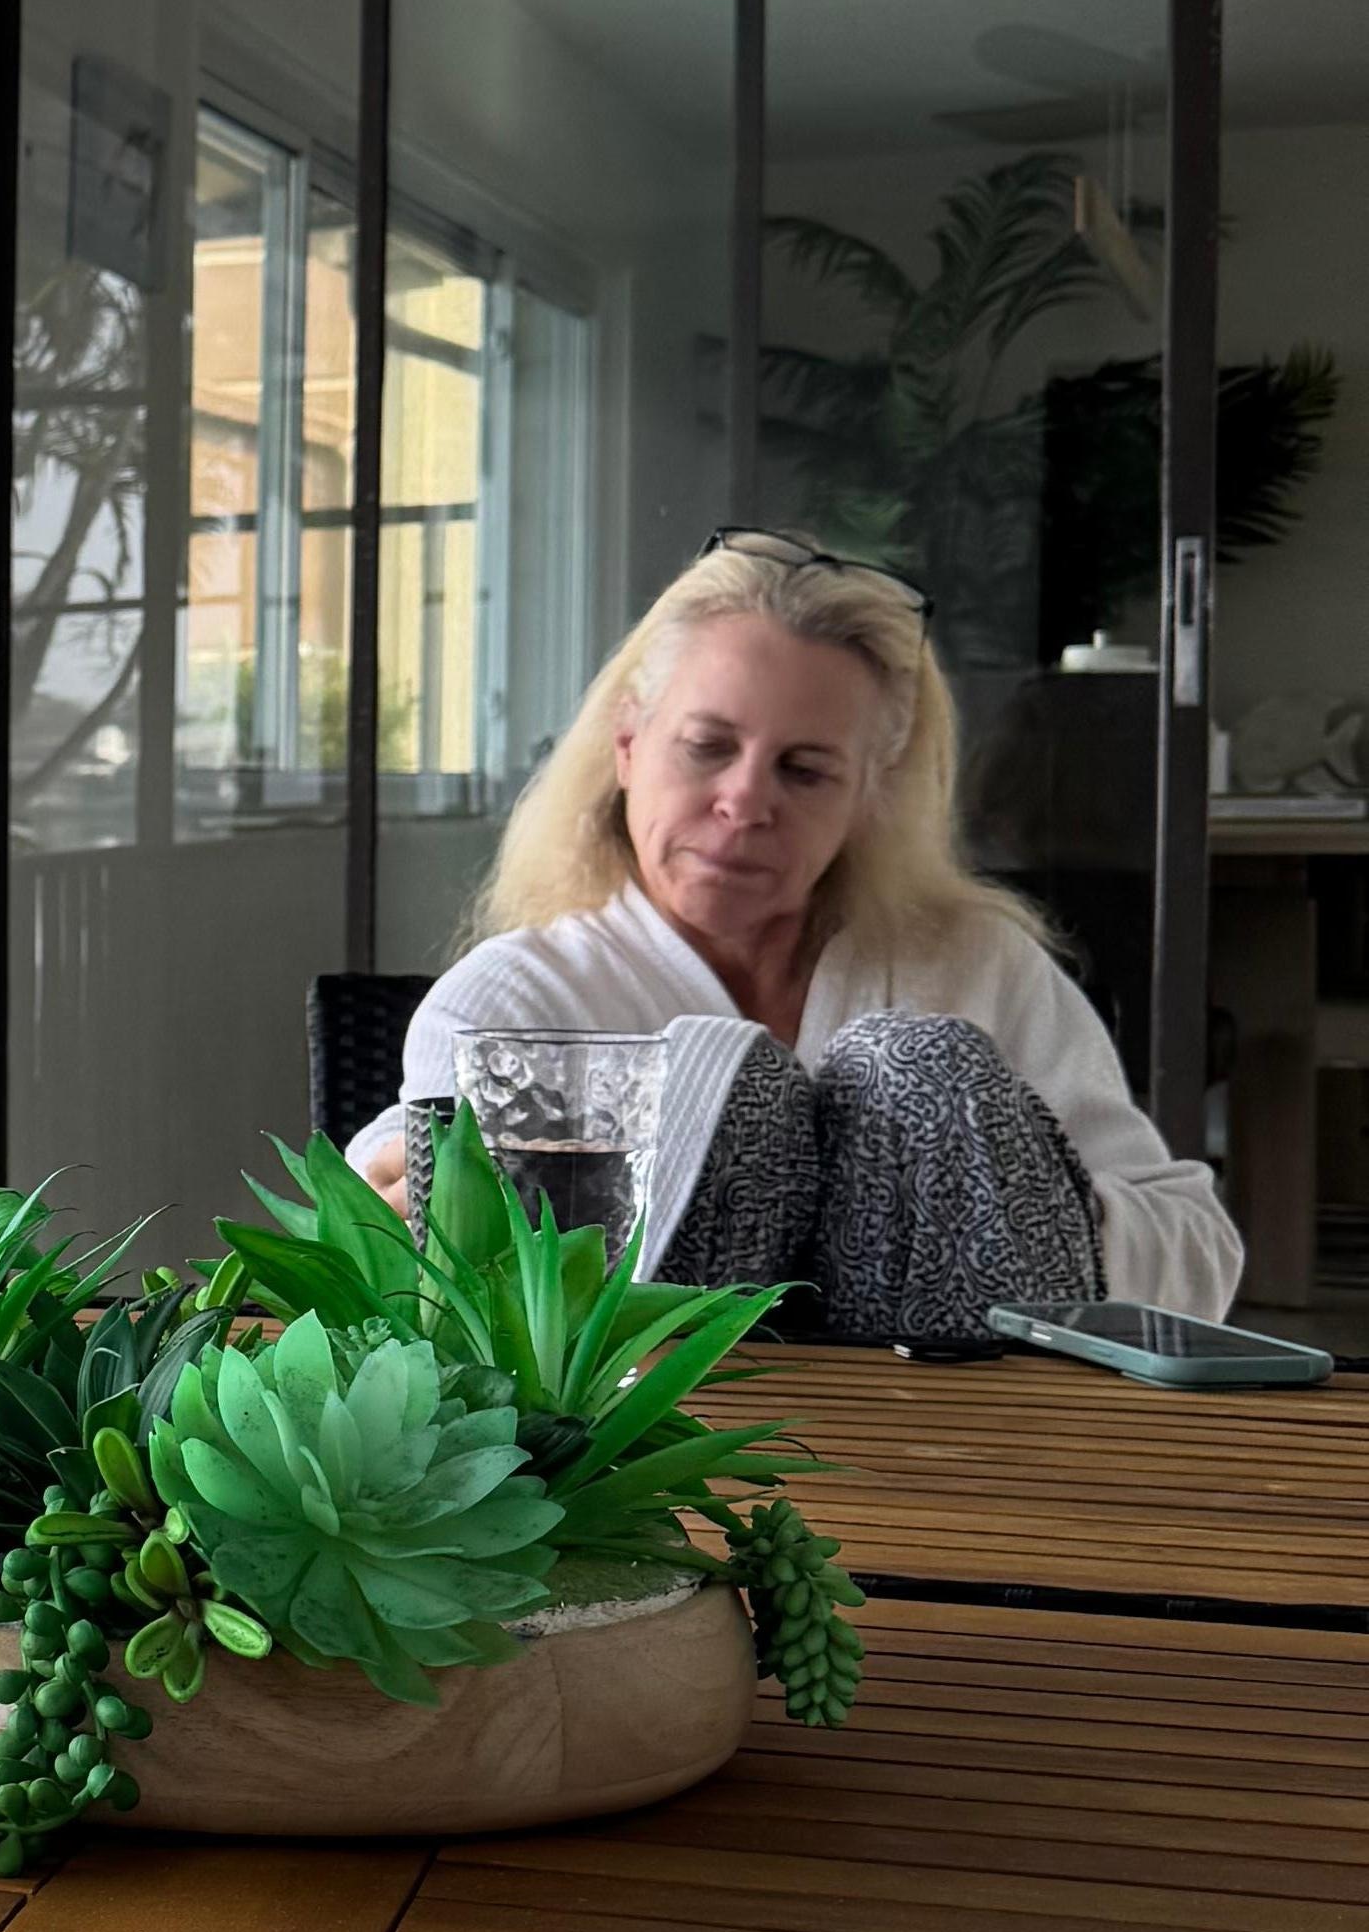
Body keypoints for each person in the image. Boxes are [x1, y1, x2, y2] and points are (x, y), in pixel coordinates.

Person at [354, 530, 1237, 1339]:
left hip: (965, 1451)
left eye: (805, 770)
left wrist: (996, 1185)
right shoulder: (517, 1001)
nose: (745, 803)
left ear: (867, 795)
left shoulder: (978, 968)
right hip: (649, 1475)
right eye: (707, 747)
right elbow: (430, 1295)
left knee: (917, 1070)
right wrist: (388, 1222)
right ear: (627, 745)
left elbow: (1201, 1252)